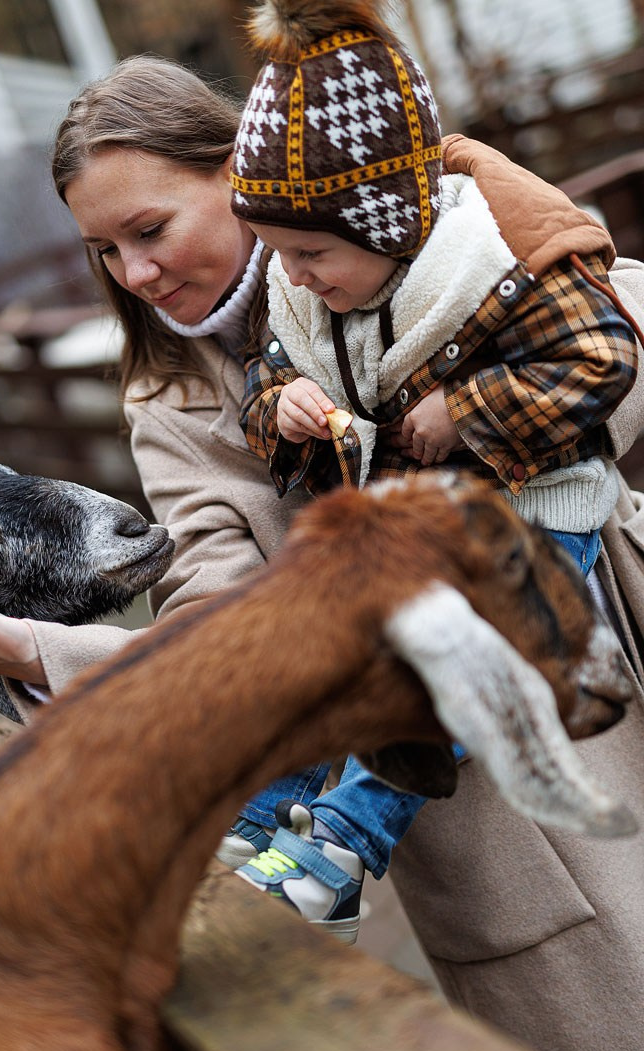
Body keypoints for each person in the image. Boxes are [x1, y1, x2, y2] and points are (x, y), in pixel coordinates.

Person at [0, 53, 644, 1051]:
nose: (134, 275)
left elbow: (613, 337)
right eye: (105, 251)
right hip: (495, 817)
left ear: (233, 170)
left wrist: (461, 425)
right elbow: (214, 613)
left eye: (150, 230)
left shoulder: (438, 225)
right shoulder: (172, 396)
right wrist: (22, 649)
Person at [220, 0, 638, 940]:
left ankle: (337, 851)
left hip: (530, 513)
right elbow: (270, 369)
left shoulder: (495, 266)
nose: (295, 273)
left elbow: (603, 358)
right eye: (281, 253)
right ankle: (250, 817)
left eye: (311, 252)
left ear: (382, 219)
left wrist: (469, 410)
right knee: (309, 637)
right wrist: (278, 408)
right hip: (404, 522)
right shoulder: (315, 286)